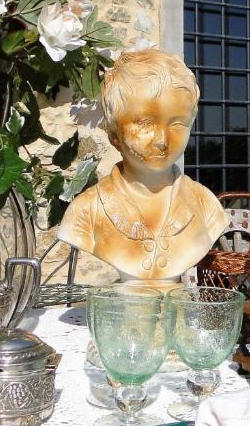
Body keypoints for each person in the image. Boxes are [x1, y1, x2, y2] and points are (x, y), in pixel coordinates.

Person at [58, 49, 228, 293]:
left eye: (177, 123)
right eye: (146, 122)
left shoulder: (205, 206)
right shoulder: (87, 211)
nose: (162, 140)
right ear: (114, 135)